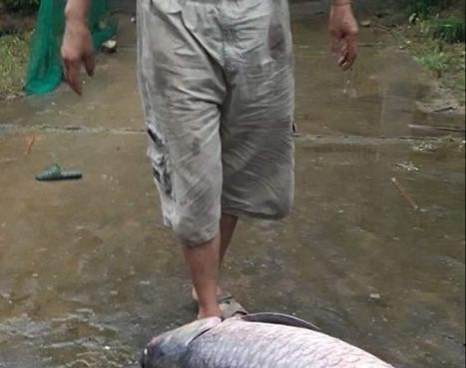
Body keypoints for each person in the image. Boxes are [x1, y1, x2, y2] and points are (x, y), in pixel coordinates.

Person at [62, 0, 358, 319]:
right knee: (192, 167)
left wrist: (341, 5)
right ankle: (208, 310)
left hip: (259, 19)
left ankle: (208, 283)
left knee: (241, 160)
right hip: (174, 20)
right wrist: (76, 16)